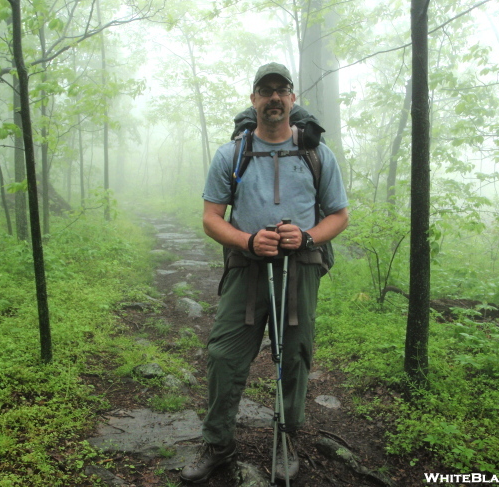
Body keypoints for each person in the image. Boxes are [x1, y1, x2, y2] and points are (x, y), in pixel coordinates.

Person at [180, 62, 349, 484]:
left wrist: (308, 237)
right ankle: (218, 444)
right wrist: (248, 241)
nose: (274, 97)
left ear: (292, 99)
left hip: (301, 268)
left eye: (282, 90)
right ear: (253, 99)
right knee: (223, 355)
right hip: (246, 267)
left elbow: (339, 216)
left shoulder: (316, 153)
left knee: (294, 357)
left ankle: (286, 439)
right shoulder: (231, 154)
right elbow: (211, 218)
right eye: (265, 90)